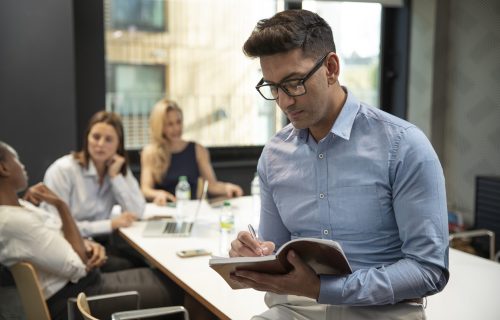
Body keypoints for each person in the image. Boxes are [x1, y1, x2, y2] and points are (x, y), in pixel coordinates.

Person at [229, 10, 449, 320]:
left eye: (293, 83)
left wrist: (323, 288)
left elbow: (429, 270)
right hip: (294, 310)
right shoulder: (275, 154)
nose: (284, 101)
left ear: (331, 68)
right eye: (273, 87)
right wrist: (253, 256)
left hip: (382, 314)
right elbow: (274, 249)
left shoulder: (403, 146)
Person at [0, 141, 181, 320]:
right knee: (182, 290)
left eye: (109, 139)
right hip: (75, 297)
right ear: (4, 168)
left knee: (161, 274)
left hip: (83, 283)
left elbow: (58, 234)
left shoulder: (21, 206)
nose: (23, 166)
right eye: (16, 160)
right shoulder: (15, 222)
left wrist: (85, 243)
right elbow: (78, 266)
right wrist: (62, 207)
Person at [43, 111, 146, 270]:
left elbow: (137, 212)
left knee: (145, 263)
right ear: (87, 138)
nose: (100, 144)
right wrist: (109, 224)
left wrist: (115, 178)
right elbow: (56, 225)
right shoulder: (63, 170)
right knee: (137, 268)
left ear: (118, 144)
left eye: (109, 139)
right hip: (69, 247)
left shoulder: (116, 169)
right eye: (96, 137)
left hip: (101, 244)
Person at [140, 99, 243, 205]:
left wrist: (227, 188)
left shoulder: (198, 150)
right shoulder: (149, 153)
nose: (176, 128)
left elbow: (212, 185)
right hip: (163, 210)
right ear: (160, 127)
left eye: (178, 122)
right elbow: (145, 189)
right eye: (170, 124)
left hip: (190, 211)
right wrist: (158, 194)